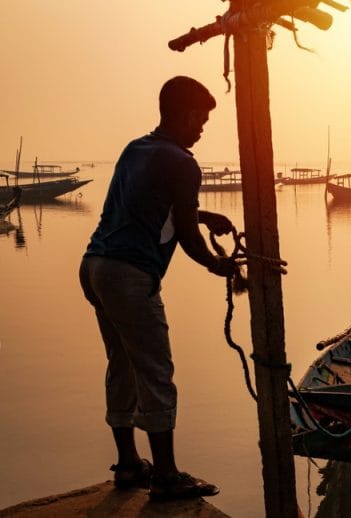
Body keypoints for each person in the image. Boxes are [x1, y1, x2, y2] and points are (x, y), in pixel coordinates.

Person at [79, 76, 239, 501]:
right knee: (155, 370)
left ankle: (130, 464)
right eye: (201, 120)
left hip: (95, 267)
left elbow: (151, 205)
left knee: (123, 365)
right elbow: (184, 234)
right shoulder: (183, 162)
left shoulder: (137, 148)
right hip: (131, 275)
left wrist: (204, 215)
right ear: (186, 115)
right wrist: (216, 263)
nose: (202, 128)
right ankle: (165, 475)